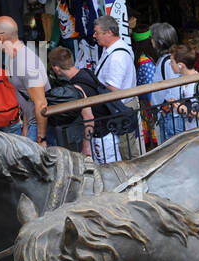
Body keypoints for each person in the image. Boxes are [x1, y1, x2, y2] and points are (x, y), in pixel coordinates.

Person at [0, 16, 51, 144]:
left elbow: (41, 104)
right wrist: (25, 128)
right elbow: (26, 95)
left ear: (0, 38)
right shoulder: (12, 57)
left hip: (40, 127)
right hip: (31, 125)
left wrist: (41, 138)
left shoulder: (25, 62)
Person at [91, 14, 137, 162]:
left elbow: (113, 89)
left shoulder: (117, 57)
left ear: (109, 32)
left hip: (119, 108)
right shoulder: (110, 49)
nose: (94, 35)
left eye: (97, 32)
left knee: (126, 150)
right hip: (118, 107)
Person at [45, 46, 100, 158]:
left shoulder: (76, 87)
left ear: (56, 68)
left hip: (99, 138)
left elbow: (88, 118)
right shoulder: (86, 72)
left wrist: (86, 145)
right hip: (103, 132)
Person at [166, 44, 199, 132]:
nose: (169, 64)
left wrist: (189, 112)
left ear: (180, 65)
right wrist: (178, 105)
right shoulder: (183, 82)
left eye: (172, 61)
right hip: (192, 133)